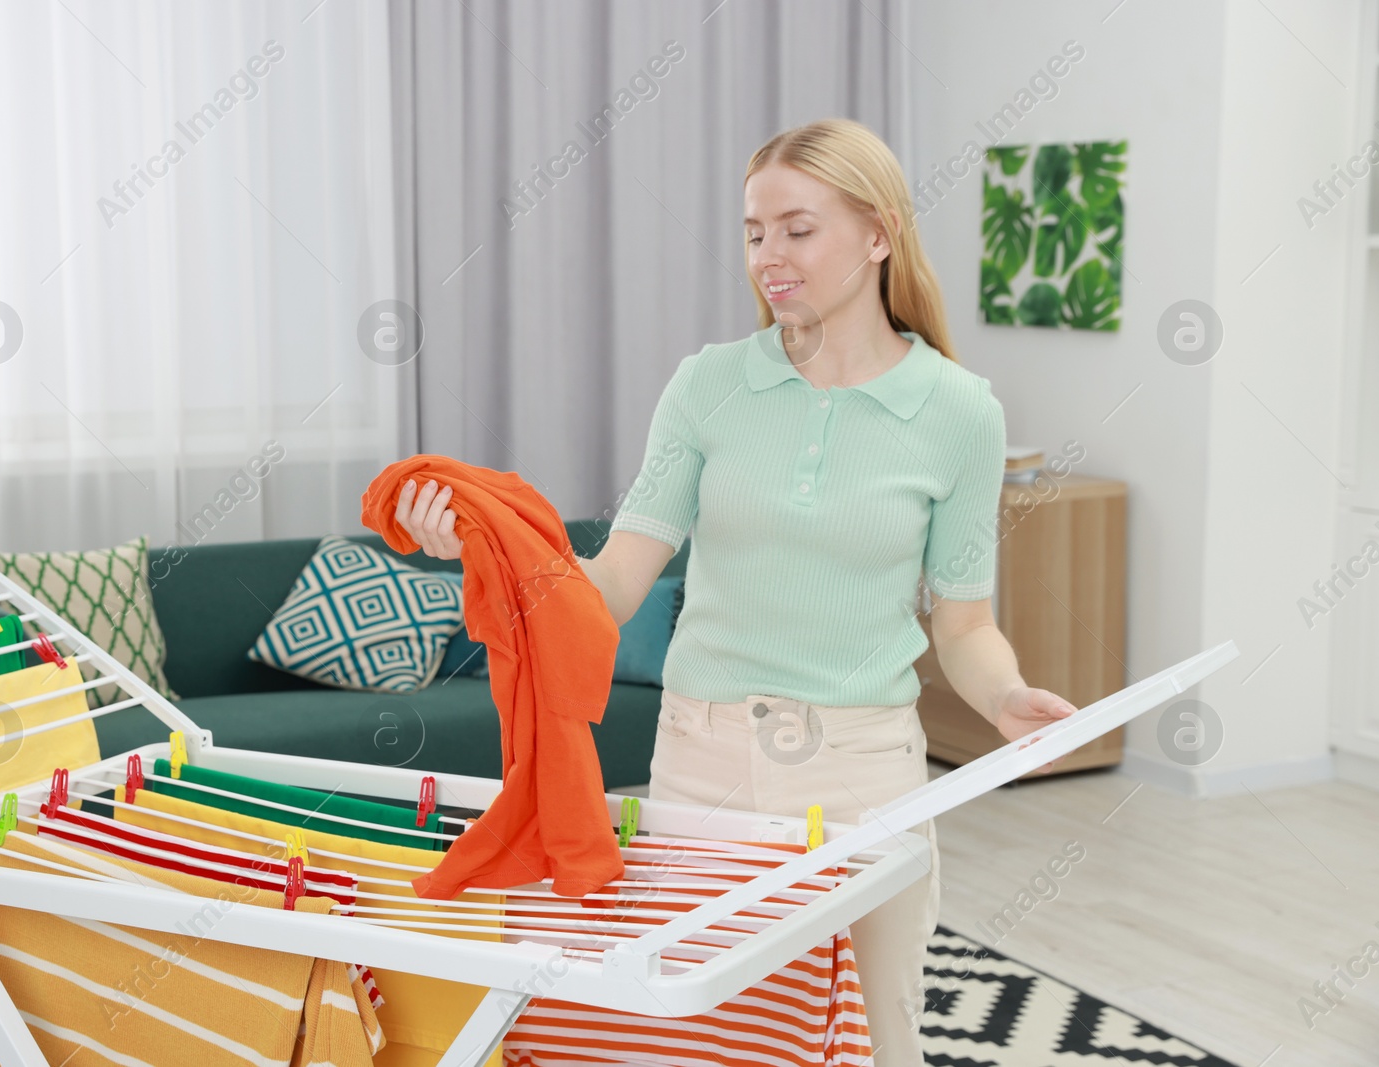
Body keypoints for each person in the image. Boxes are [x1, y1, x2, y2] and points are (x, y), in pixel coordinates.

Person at [394, 117, 1078, 1067]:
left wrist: (1004, 696)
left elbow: (963, 623)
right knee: (705, 1035)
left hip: (864, 772)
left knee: (885, 1037)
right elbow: (612, 584)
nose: (769, 256)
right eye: (754, 232)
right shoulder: (709, 386)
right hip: (701, 762)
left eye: (797, 229)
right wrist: (482, 543)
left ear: (878, 233)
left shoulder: (961, 411)